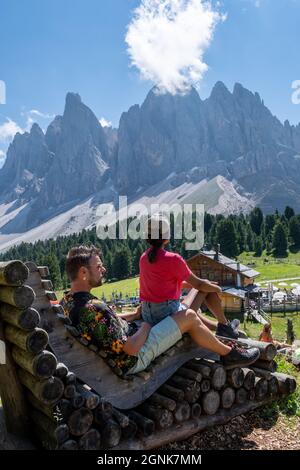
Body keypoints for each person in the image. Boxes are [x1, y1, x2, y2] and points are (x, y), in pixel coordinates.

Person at [60, 245, 259, 377]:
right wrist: (145, 326)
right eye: (98, 266)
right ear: (84, 273)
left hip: (125, 343)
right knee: (188, 316)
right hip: (133, 358)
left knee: (185, 310)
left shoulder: (69, 301)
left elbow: (105, 321)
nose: (103, 270)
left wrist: (134, 315)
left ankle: (224, 332)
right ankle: (230, 354)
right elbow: (130, 349)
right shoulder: (93, 308)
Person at [139, 214, 239, 339]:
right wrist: (218, 289)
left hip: (148, 314)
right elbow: (199, 284)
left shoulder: (144, 258)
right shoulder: (173, 259)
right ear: (167, 237)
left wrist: (204, 283)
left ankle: (222, 325)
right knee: (205, 288)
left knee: (203, 286)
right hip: (165, 315)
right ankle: (225, 326)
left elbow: (162, 284)